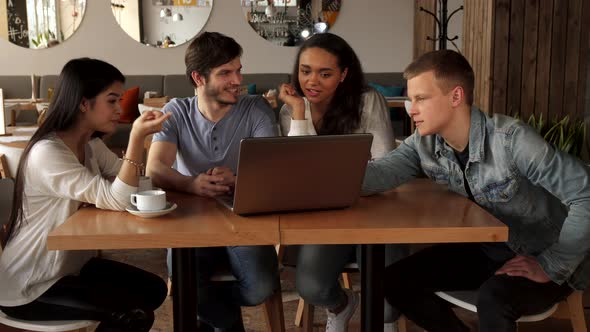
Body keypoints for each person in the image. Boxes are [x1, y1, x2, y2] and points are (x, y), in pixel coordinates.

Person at [362, 49, 590, 332]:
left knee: (493, 299)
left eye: (421, 98)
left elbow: (586, 194)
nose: (411, 108)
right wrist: (322, 169)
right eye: (411, 99)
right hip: (490, 251)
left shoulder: (511, 140)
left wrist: (551, 264)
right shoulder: (423, 145)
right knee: (393, 280)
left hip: (544, 256)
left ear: (456, 97)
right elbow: (378, 175)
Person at [0, 58, 170, 332]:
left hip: (71, 267)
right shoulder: (48, 153)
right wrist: (137, 139)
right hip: (32, 282)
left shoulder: (90, 144)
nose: (119, 109)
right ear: (83, 103)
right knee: (134, 314)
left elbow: (134, 183)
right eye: (112, 101)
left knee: (154, 289)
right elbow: (118, 198)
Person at [146, 31, 279, 331]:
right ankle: (224, 323)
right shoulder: (176, 112)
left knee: (259, 288)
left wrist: (238, 178)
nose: (237, 80)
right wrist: (191, 184)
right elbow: (155, 168)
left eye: (238, 70)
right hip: (190, 222)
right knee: (185, 283)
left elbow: (272, 169)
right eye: (225, 73)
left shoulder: (255, 108)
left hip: (244, 219)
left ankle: (209, 312)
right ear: (198, 78)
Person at [278, 32, 408, 332]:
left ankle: (384, 321)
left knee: (389, 303)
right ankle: (342, 305)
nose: (312, 81)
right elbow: (297, 173)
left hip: (376, 213)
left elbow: (385, 168)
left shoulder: (368, 100)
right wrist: (299, 113)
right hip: (325, 219)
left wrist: (321, 177)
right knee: (313, 289)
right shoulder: (291, 107)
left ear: (343, 74)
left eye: (325, 74)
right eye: (305, 70)